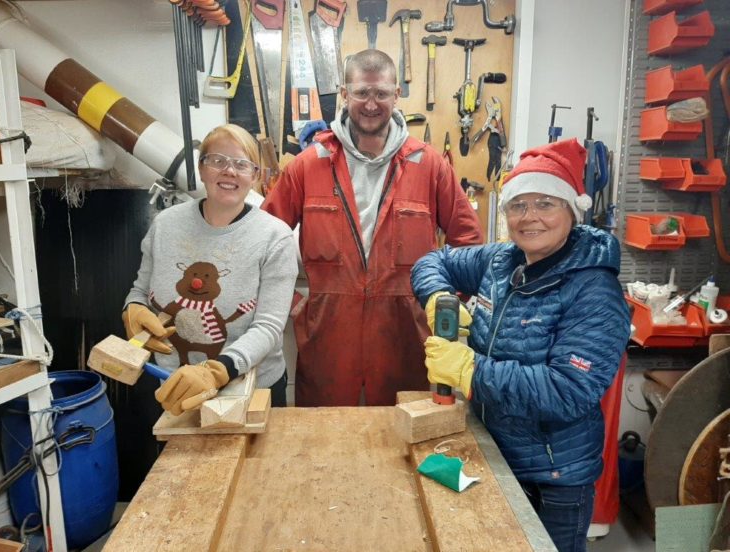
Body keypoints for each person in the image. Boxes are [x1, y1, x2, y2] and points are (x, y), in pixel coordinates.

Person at [411, 138, 631, 552]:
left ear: (571, 209)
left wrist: (470, 370)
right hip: (490, 447)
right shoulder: (502, 260)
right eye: (518, 205)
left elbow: (568, 391)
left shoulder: (594, 291)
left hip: (553, 478)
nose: (530, 218)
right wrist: (438, 296)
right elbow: (432, 261)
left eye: (546, 203)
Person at [263, 49, 483, 407]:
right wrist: (289, 300)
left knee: (404, 439)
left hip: (405, 336)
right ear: (344, 93)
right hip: (328, 335)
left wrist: (441, 304)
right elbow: (264, 239)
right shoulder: (307, 166)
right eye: (362, 92)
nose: (371, 103)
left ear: (397, 95)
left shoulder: (429, 165)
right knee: (326, 439)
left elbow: (469, 245)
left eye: (381, 93)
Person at [123, 124, 298, 414]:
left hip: (247, 390)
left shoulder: (274, 236)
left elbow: (268, 327)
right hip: (171, 385)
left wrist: (217, 371)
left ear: (254, 177)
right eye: (218, 160)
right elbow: (141, 290)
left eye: (242, 164)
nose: (229, 171)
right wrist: (133, 307)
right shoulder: (165, 224)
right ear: (202, 169)